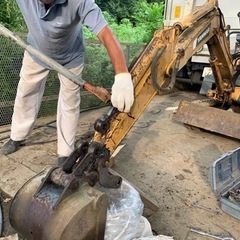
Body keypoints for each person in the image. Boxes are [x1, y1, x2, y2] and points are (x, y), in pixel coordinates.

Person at [1, 0, 134, 165]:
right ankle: (17, 136)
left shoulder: (80, 1)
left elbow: (105, 33)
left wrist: (122, 75)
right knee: (26, 93)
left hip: (70, 57)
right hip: (35, 51)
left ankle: (65, 152)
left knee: (69, 102)